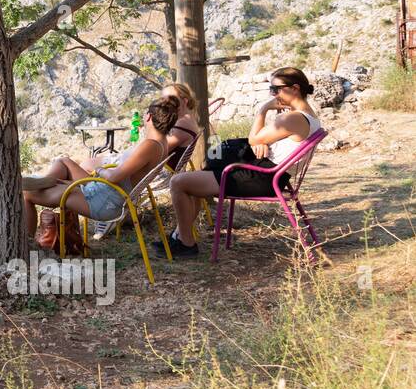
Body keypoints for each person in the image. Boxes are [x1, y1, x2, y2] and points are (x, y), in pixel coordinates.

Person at [163, 67, 323, 258]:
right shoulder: (310, 117)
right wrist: (261, 142)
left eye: (275, 89)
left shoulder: (293, 118)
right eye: (271, 90)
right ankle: (181, 236)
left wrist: (263, 110)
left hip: (262, 178)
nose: (273, 95)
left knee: (178, 182)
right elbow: (259, 141)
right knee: (199, 175)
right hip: (271, 174)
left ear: (294, 88)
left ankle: (185, 242)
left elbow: (254, 138)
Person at [23, 95, 182, 242]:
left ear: (148, 117)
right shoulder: (162, 144)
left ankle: (27, 242)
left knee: (27, 194)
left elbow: (114, 177)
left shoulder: (150, 145)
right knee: (63, 161)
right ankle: (47, 182)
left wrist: (99, 170)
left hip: (102, 199)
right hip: (105, 192)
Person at [89, 82, 201, 176]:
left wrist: (151, 128)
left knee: (87, 165)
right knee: (86, 164)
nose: (166, 103)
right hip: (149, 166)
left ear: (185, 101)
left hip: (151, 169)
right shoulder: (188, 121)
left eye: (172, 99)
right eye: (163, 99)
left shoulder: (182, 124)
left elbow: (158, 148)